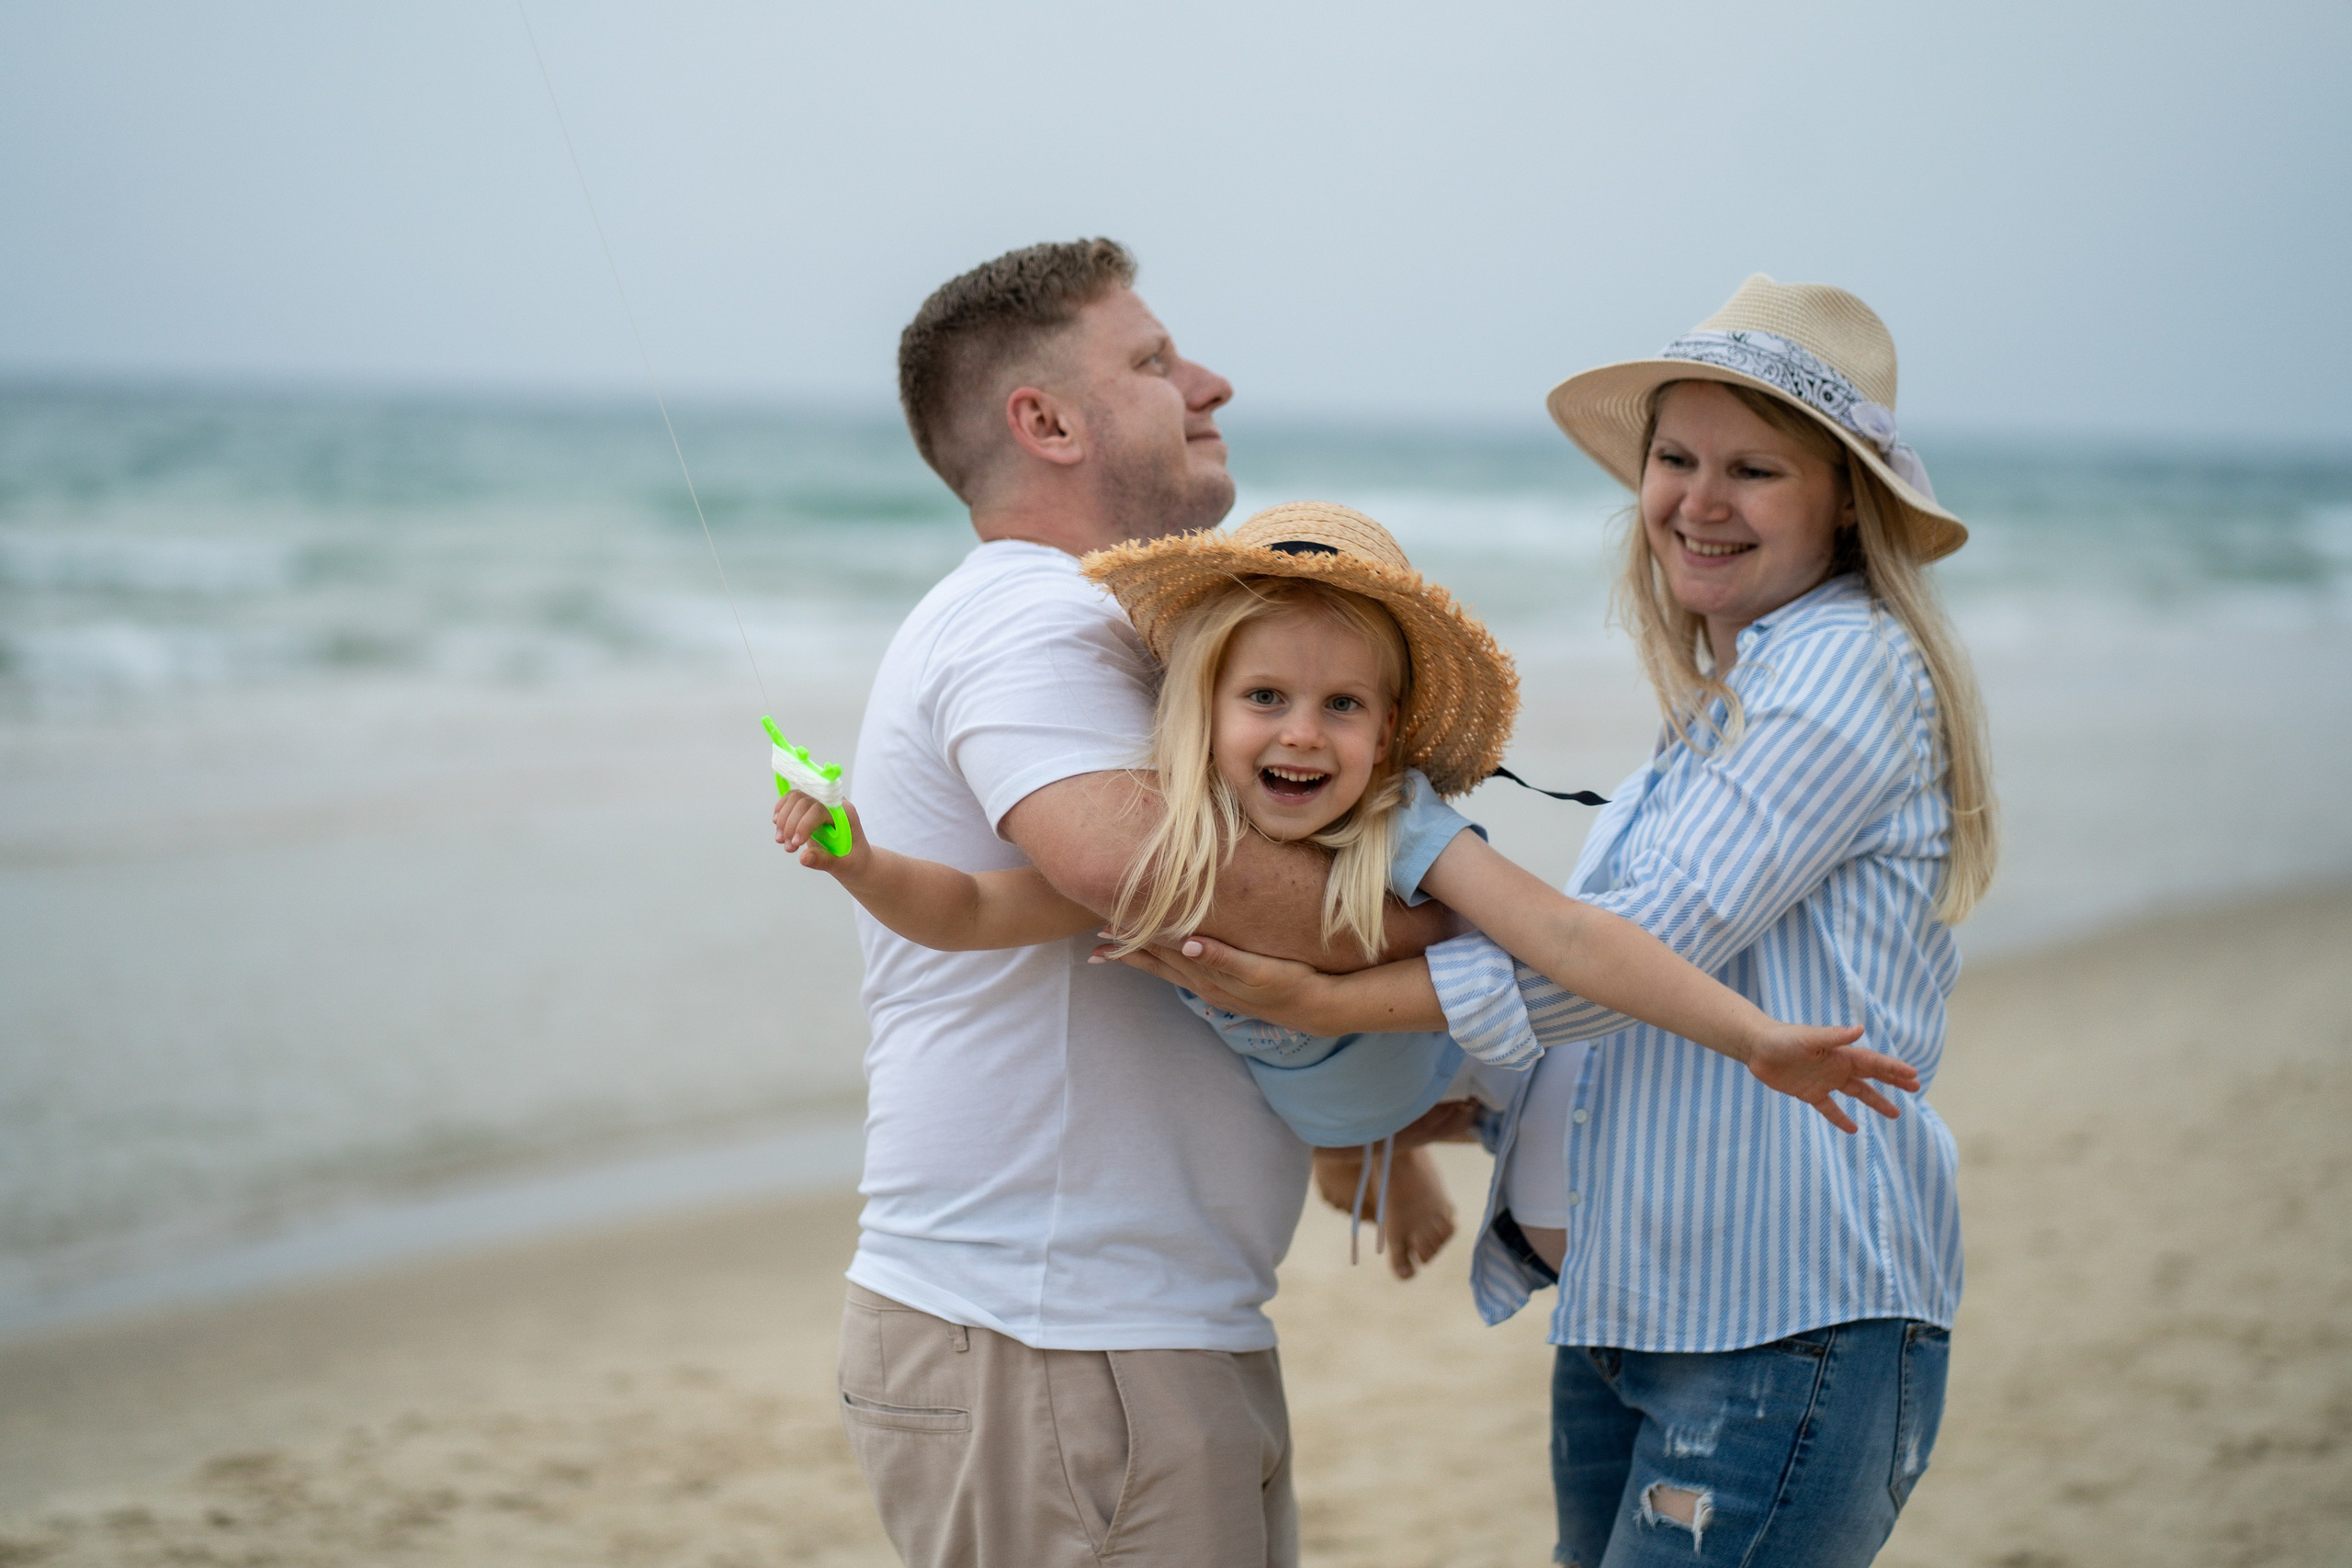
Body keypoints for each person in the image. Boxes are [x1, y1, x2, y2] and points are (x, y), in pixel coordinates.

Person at [1116, 276, 1995, 1566]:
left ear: (1846, 496)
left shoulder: (1839, 669)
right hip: (1644, 1299)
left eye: (1753, 468)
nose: (1699, 499)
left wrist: (1330, 1001)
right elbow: (1604, 1007)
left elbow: (1627, 958)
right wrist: (1432, 1106)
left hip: (1777, 1310)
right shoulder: (1735, 688)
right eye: (1676, 457)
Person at [776, 502, 1918, 1274]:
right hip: (1312, 1100)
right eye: (1264, 697)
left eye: (1342, 708)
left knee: (1554, 1180)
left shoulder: (1406, 828)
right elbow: (974, 913)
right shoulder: (1175, 851)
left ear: (1389, 736)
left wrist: (1755, 1039)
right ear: (1202, 707)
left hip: (1440, 1060)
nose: (1301, 736)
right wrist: (859, 862)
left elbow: (1565, 933)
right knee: (1330, 1126)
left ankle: (1413, 1138)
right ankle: (1378, 1147)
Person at [822, 237, 1483, 1568]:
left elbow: (1201, 964)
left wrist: (1377, 1134)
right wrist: (1476, 915)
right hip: (1053, 1330)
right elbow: (1149, 879)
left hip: (1123, 1327)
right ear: (1046, 420)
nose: (1209, 382)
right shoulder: (1031, 617)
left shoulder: (1115, 639)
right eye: (1154, 359)